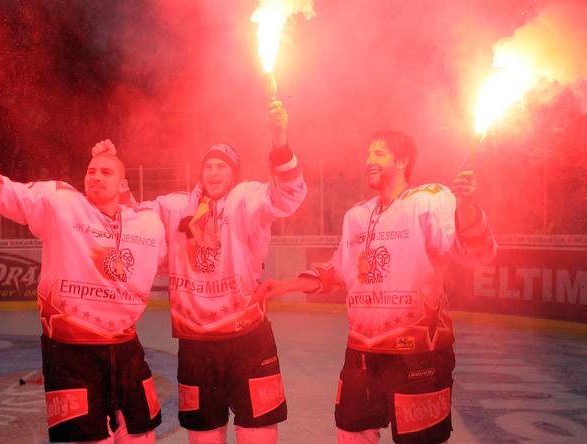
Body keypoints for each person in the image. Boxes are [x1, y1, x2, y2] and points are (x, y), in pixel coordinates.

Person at [0, 100, 166, 444]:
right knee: (89, 440)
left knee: (141, 434)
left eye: (106, 172)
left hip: (126, 348)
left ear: (124, 185)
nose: (95, 176)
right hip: (70, 351)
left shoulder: (147, 222)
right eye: (91, 171)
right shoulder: (61, 203)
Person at [259, 130, 497, 444]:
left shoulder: (432, 200)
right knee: (350, 432)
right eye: (368, 153)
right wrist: (287, 285)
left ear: (403, 162)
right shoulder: (356, 215)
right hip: (362, 355)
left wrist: (465, 209)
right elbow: (340, 270)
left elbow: (477, 254)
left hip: (420, 355)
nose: (369, 160)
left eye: (380, 154)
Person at [93, 99, 307, 444]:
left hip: (248, 340)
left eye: (222, 166)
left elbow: (288, 197)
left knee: (257, 431)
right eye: (208, 165)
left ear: (235, 174)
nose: (214, 172)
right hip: (195, 345)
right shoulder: (176, 206)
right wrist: (112, 169)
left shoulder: (246, 199)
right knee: (204, 433)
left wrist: (280, 143)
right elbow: (133, 218)